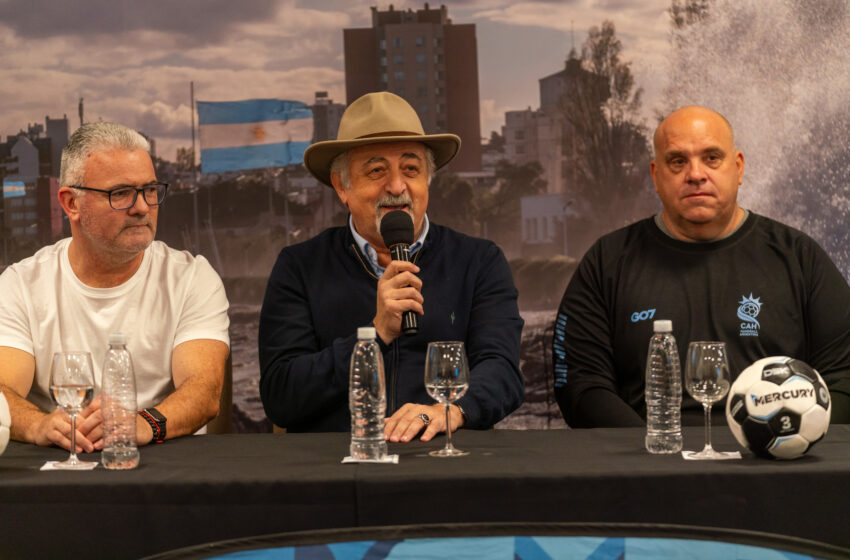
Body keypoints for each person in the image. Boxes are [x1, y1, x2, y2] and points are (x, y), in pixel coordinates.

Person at [553, 105, 850, 427]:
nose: (695, 174)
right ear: (656, 175)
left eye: (711, 157)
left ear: (738, 167)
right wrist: (652, 458)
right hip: (645, 465)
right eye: (678, 161)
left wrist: (790, 443)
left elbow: (843, 375)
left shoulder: (798, 257)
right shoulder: (607, 261)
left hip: (776, 464)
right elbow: (581, 385)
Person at [259, 92, 524, 442]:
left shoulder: (479, 261)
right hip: (335, 469)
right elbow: (281, 396)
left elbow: (503, 371)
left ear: (427, 179)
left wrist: (452, 411)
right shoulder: (300, 267)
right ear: (342, 186)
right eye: (376, 170)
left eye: (411, 169)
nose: (397, 187)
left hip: (446, 467)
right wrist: (374, 336)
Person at [0, 122, 230, 452]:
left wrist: (141, 424)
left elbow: (204, 391)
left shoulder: (192, 278)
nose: (141, 207)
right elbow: (2, 390)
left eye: (150, 190)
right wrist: (38, 424)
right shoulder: (20, 285)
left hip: (166, 472)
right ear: (71, 204)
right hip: (58, 473)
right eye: (120, 193)